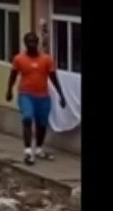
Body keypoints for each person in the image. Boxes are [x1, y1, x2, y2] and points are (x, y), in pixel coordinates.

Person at [5, 32, 68, 165]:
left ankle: (39, 149)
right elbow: (13, 75)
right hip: (26, 94)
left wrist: (61, 95)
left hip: (43, 96)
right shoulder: (19, 59)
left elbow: (53, 77)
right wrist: (9, 90)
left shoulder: (46, 59)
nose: (32, 44)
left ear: (37, 43)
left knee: (42, 124)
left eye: (34, 42)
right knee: (27, 118)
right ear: (25, 43)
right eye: (29, 42)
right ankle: (28, 151)